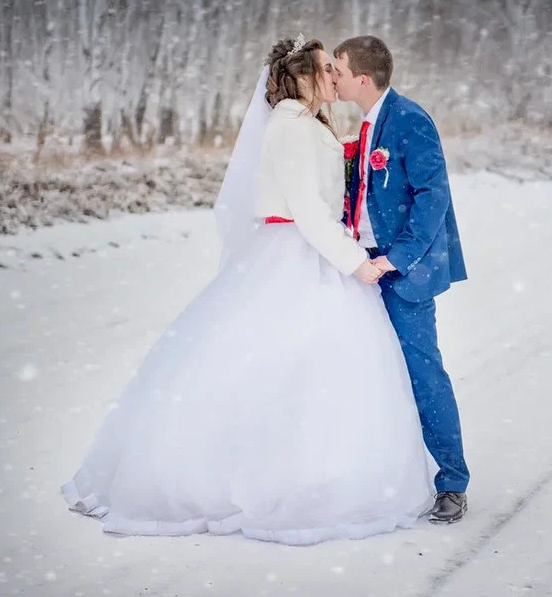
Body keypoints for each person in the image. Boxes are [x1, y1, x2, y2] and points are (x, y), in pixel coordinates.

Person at [60, 35, 434, 544]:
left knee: (322, 369)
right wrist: (355, 264)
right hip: (297, 250)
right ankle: (248, 481)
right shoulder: (289, 126)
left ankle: (320, 473)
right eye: (325, 68)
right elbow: (306, 207)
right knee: (275, 360)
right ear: (302, 76)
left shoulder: (310, 123)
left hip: (315, 251)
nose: (333, 76)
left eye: (335, 68)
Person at [332, 35, 470, 524]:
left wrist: (400, 257)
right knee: (371, 374)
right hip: (364, 266)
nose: (333, 76)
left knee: (423, 374)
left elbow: (433, 196)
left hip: (403, 272)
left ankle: (452, 482)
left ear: (362, 79)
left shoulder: (410, 120)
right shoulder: (368, 124)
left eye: (339, 70)